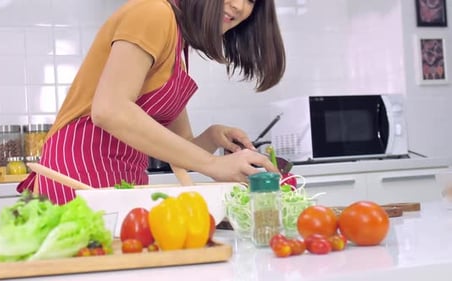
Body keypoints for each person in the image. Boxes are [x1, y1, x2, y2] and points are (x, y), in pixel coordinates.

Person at [17, 0, 286, 205]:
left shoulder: (180, 43)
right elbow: (110, 110)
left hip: (124, 181)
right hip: (78, 174)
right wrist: (213, 165)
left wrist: (214, 137)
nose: (239, 5)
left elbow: (181, 152)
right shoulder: (154, 13)